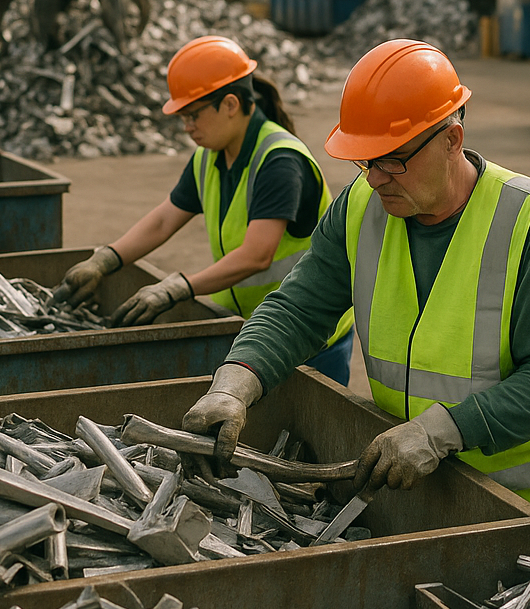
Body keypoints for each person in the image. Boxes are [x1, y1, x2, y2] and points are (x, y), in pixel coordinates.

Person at [182, 38, 530, 514]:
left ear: (451, 140)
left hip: (525, 499)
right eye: (366, 160)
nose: (375, 178)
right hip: (412, 484)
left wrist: (439, 432)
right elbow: (297, 309)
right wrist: (232, 385)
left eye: (393, 159)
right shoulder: (360, 207)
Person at [53, 35, 355, 385]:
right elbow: (165, 219)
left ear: (229, 104)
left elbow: (256, 256)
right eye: (182, 117)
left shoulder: (279, 161)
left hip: (304, 336)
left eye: (193, 115)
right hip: (250, 330)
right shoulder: (209, 157)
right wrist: (104, 260)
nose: (187, 127)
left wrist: (179, 287)